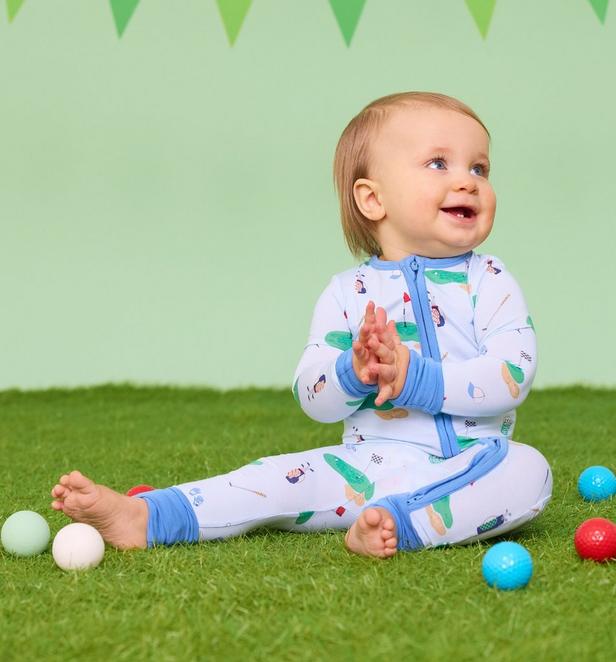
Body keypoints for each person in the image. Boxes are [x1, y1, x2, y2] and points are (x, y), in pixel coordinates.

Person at [50, 91, 552, 558]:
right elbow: (312, 396)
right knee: (273, 477)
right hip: (366, 467)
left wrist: (414, 377)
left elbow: (512, 373)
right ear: (372, 200)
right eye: (438, 163)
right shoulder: (347, 293)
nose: (468, 181)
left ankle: (399, 523)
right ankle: (148, 515)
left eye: (480, 167)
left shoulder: (490, 279)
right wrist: (352, 373)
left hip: (474, 466)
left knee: (531, 472)